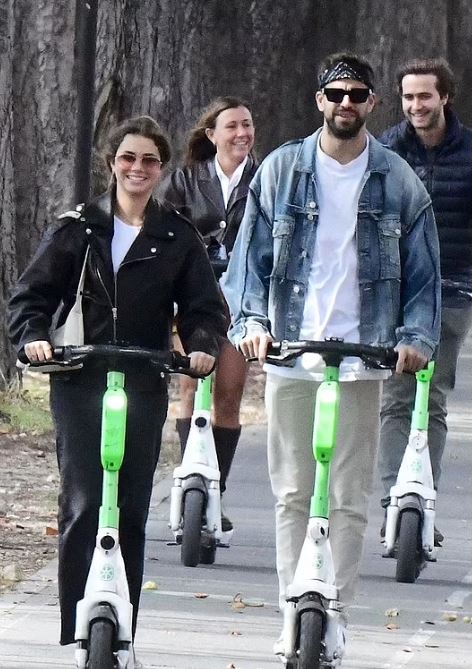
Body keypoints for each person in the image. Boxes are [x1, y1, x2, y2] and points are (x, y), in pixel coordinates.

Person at [222, 52, 441, 657]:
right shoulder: (281, 170)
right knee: (293, 493)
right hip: (293, 353)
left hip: (362, 359)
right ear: (319, 99)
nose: (346, 103)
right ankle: (293, 607)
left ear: (373, 103)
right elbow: (248, 263)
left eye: (358, 94)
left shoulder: (398, 178)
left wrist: (414, 339)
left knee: (347, 497)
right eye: (336, 93)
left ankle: (335, 610)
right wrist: (252, 325)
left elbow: (423, 274)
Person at [7, 116, 226, 655]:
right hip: (81, 378)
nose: (137, 168)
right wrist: (34, 338)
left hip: (144, 377)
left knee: (129, 506)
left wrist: (200, 346)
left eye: (149, 160)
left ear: (161, 169)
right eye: (128, 158)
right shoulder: (78, 227)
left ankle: (122, 630)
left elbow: (204, 308)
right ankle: (77, 627)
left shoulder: (177, 235)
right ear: (112, 163)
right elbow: (30, 296)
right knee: (84, 502)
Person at [378, 58, 472, 546]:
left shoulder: (469, 152)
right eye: (408, 97)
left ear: (444, 97)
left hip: (452, 292)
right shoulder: (386, 151)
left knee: (431, 396)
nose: (416, 105)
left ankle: (422, 500)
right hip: (394, 291)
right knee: (397, 397)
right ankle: (394, 502)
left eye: (425, 96)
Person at [160, 96, 258, 532]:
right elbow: (164, 234)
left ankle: (215, 492)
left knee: (229, 395)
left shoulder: (263, 178)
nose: (241, 133)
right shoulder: (185, 180)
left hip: (240, 299)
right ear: (211, 134)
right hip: (192, 298)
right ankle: (189, 482)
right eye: (232, 126)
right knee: (190, 385)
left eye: (247, 125)